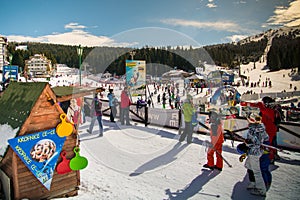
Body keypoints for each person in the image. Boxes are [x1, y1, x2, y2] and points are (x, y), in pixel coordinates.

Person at [240, 96, 280, 164]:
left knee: (267, 145)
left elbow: (263, 110)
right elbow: (260, 116)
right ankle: (267, 157)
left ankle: (270, 158)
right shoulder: (266, 110)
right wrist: (245, 103)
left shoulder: (271, 111)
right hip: (266, 130)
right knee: (264, 145)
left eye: (264, 103)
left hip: (269, 131)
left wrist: (259, 105)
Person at [244, 115, 269, 197]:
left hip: (254, 152)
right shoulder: (261, 128)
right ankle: (253, 183)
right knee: (248, 165)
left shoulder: (253, 129)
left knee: (256, 171)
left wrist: (247, 143)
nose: (248, 121)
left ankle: (261, 190)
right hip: (256, 151)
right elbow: (266, 138)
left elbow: (254, 142)